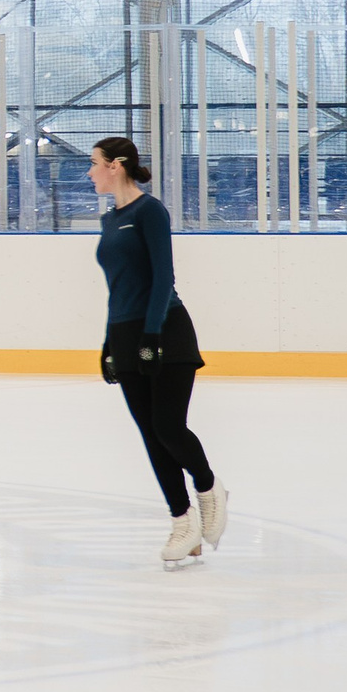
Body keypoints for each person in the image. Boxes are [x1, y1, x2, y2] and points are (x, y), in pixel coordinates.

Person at [92, 137, 230, 569]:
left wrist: (152, 335)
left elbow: (162, 275)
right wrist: (109, 342)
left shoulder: (149, 211)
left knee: (168, 426)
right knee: (150, 435)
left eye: (95, 164)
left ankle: (209, 489)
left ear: (117, 165)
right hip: (125, 331)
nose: (90, 172)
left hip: (165, 328)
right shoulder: (109, 220)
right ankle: (182, 523)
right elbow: (118, 288)